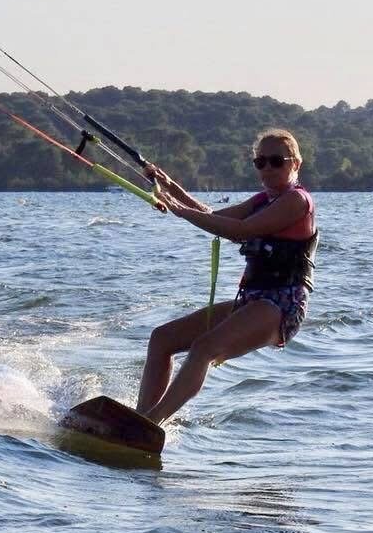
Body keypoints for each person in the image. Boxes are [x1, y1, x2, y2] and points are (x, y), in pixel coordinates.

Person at [135, 127, 318, 426]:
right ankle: (138, 420)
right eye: (261, 163)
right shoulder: (262, 201)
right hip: (252, 300)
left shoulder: (297, 201)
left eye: (277, 161)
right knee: (162, 339)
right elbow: (214, 215)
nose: (268, 169)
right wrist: (172, 188)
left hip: (282, 304)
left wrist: (180, 210)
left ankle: (153, 422)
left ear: (296, 164)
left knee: (204, 347)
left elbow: (239, 231)